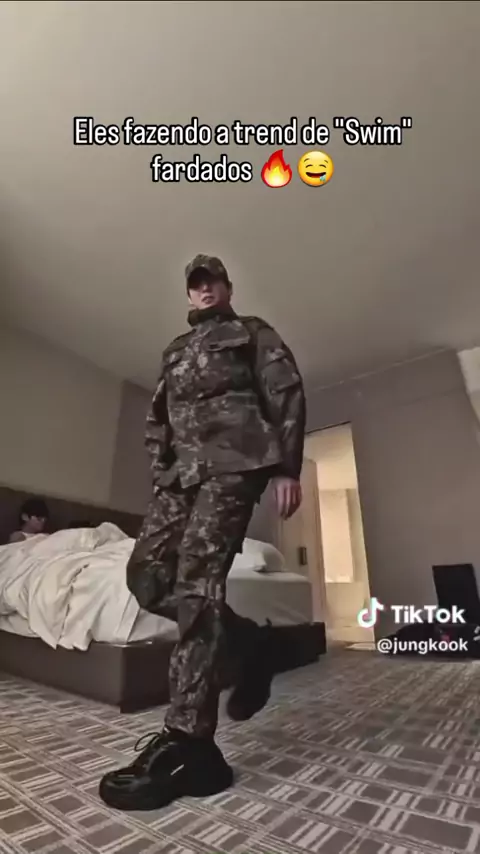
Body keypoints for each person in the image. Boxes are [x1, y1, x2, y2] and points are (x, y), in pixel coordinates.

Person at [99, 254, 306, 812]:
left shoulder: (252, 332)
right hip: (181, 478)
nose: (205, 289)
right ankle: (249, 642)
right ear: (189, 295)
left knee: (196, 583)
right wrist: (161, 470)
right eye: (196, 284)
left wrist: (287, 467)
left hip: (234, 466)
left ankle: (190, 742)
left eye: (212, 280)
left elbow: (285, 392)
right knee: (146, 576)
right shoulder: (175, 350)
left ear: (227, 287)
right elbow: (158, 417)